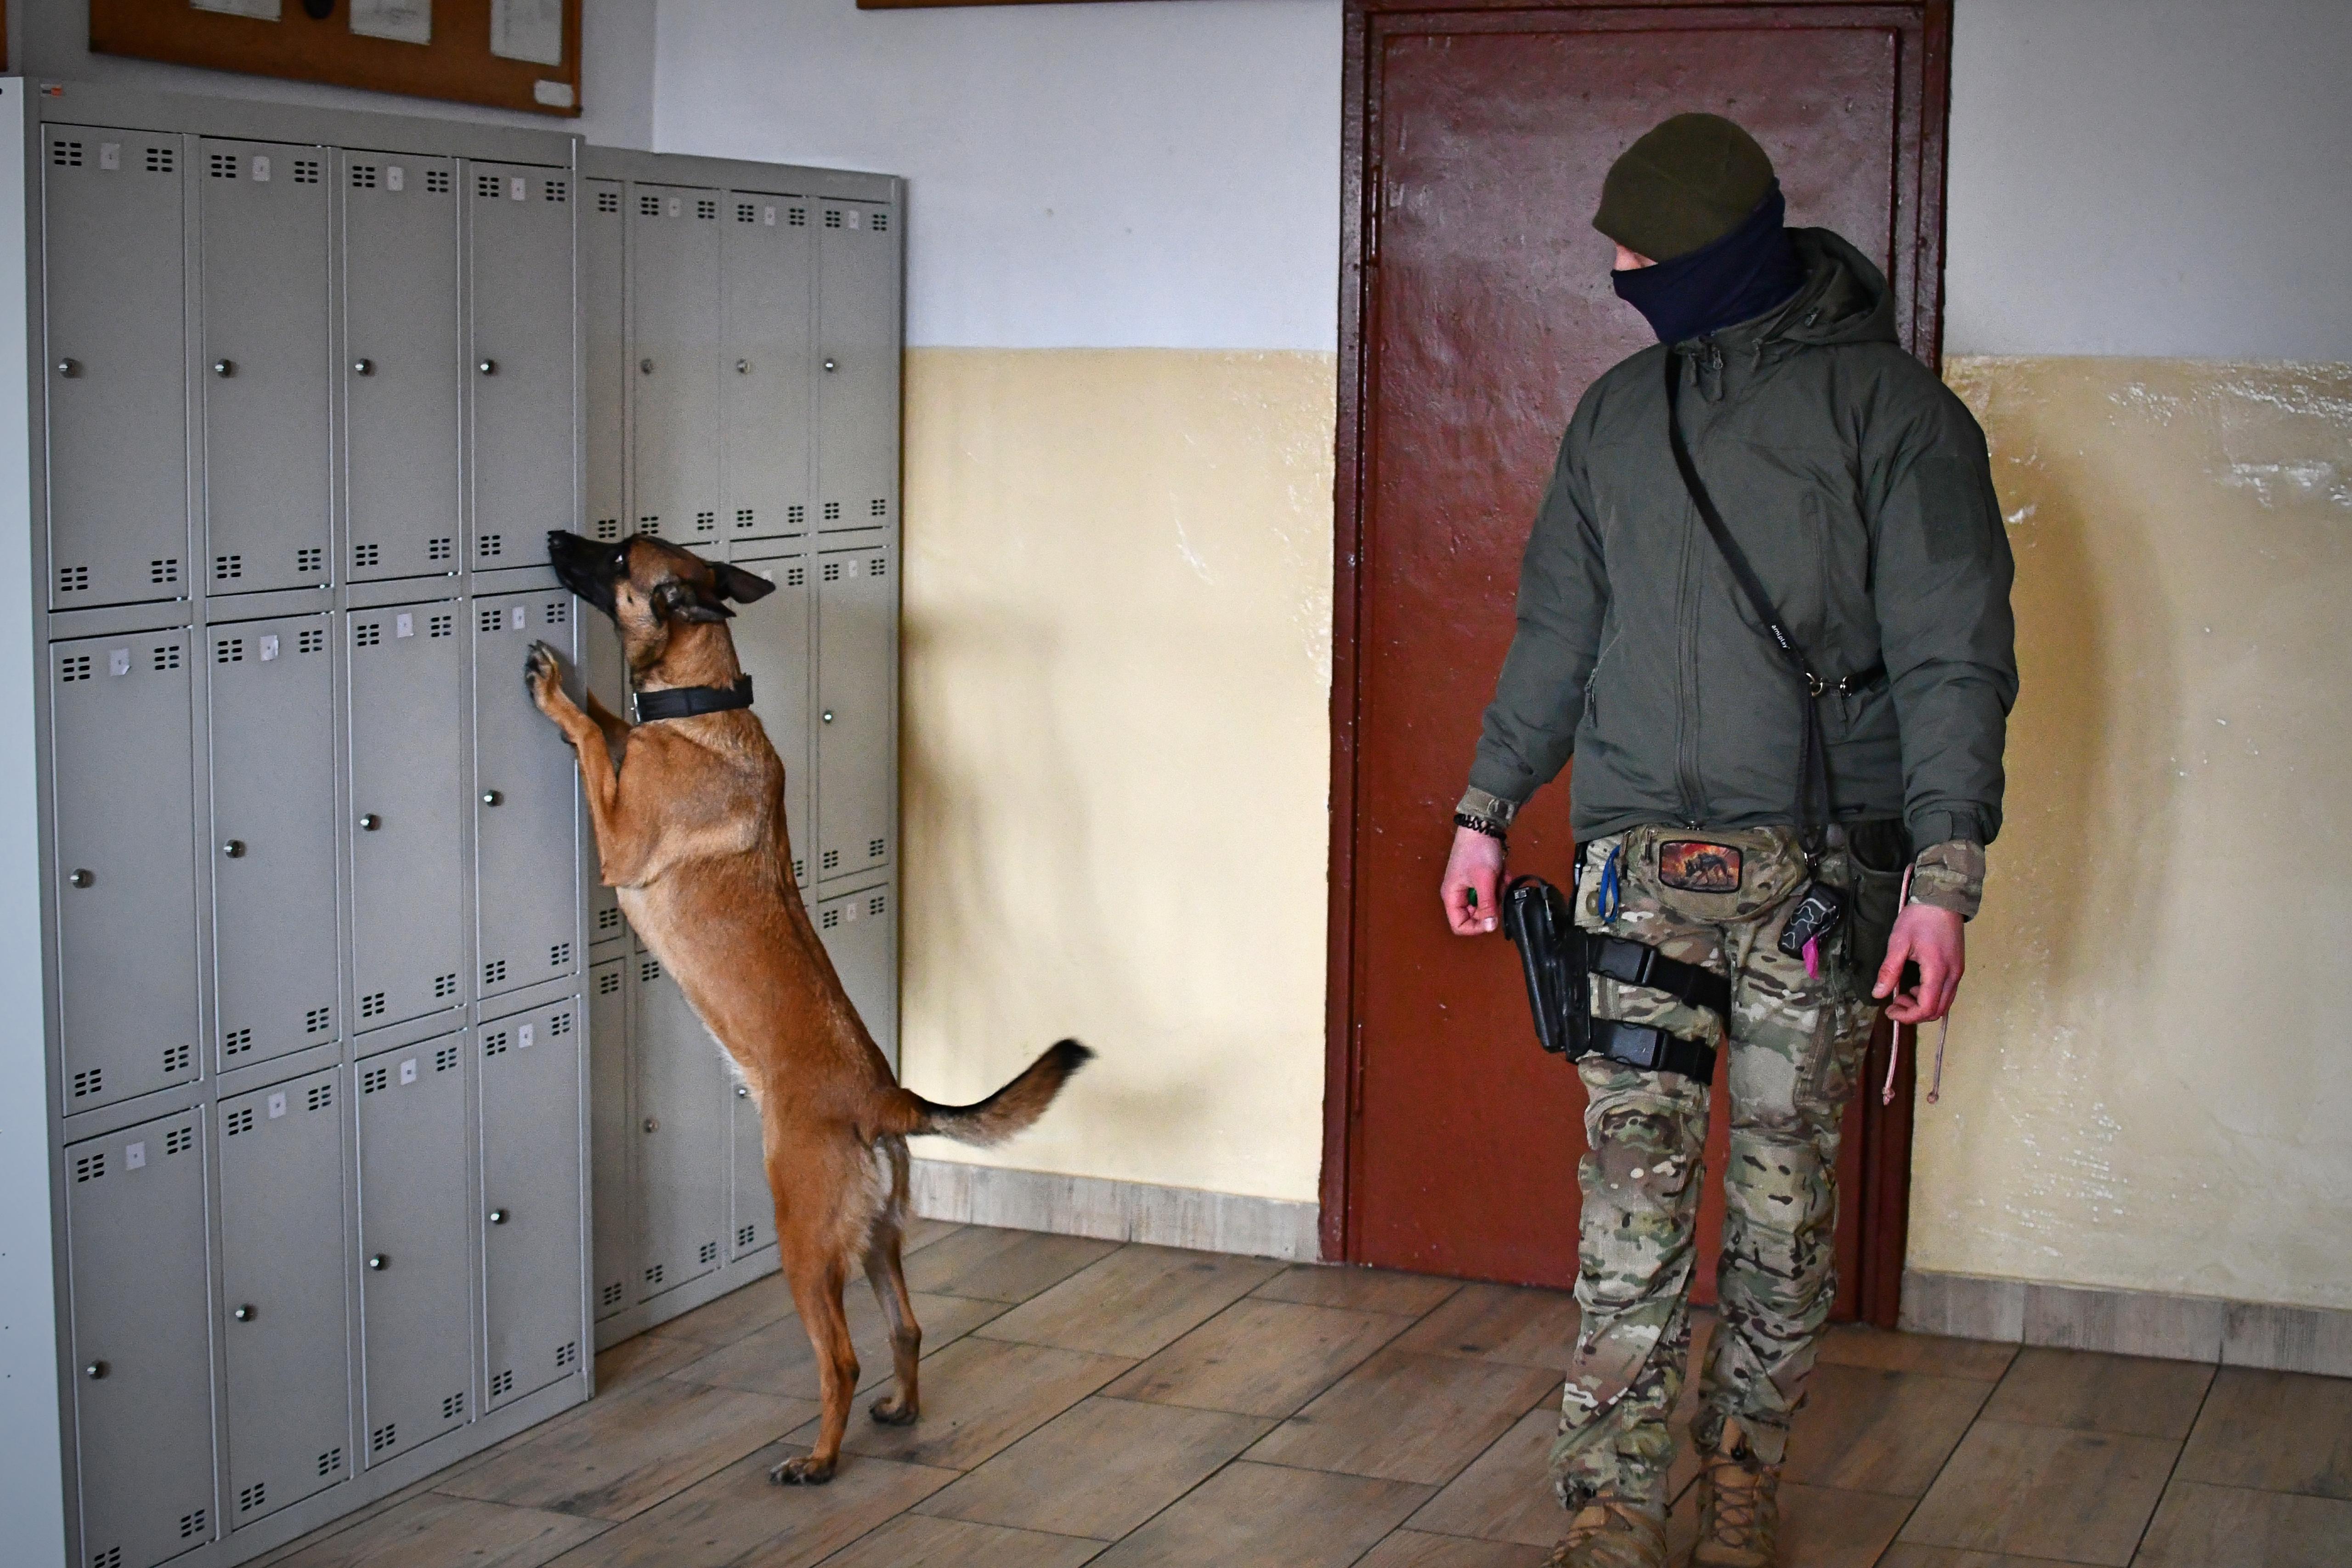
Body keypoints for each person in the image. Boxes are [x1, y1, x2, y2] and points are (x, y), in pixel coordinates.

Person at [1439, 114, 2016, 1568]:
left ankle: (1744, 1469)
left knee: (1780, 1197)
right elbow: (1558, 632)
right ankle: (1613, 1511)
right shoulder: (1618, 418)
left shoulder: (1897, 416)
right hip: (1639, 865)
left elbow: (1957, 658)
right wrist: (1485, 808)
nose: (1624, 272)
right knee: (1630, 1196)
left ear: (1724, 251)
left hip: (1819, 874)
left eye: (1646, 252)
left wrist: (1943, 882)